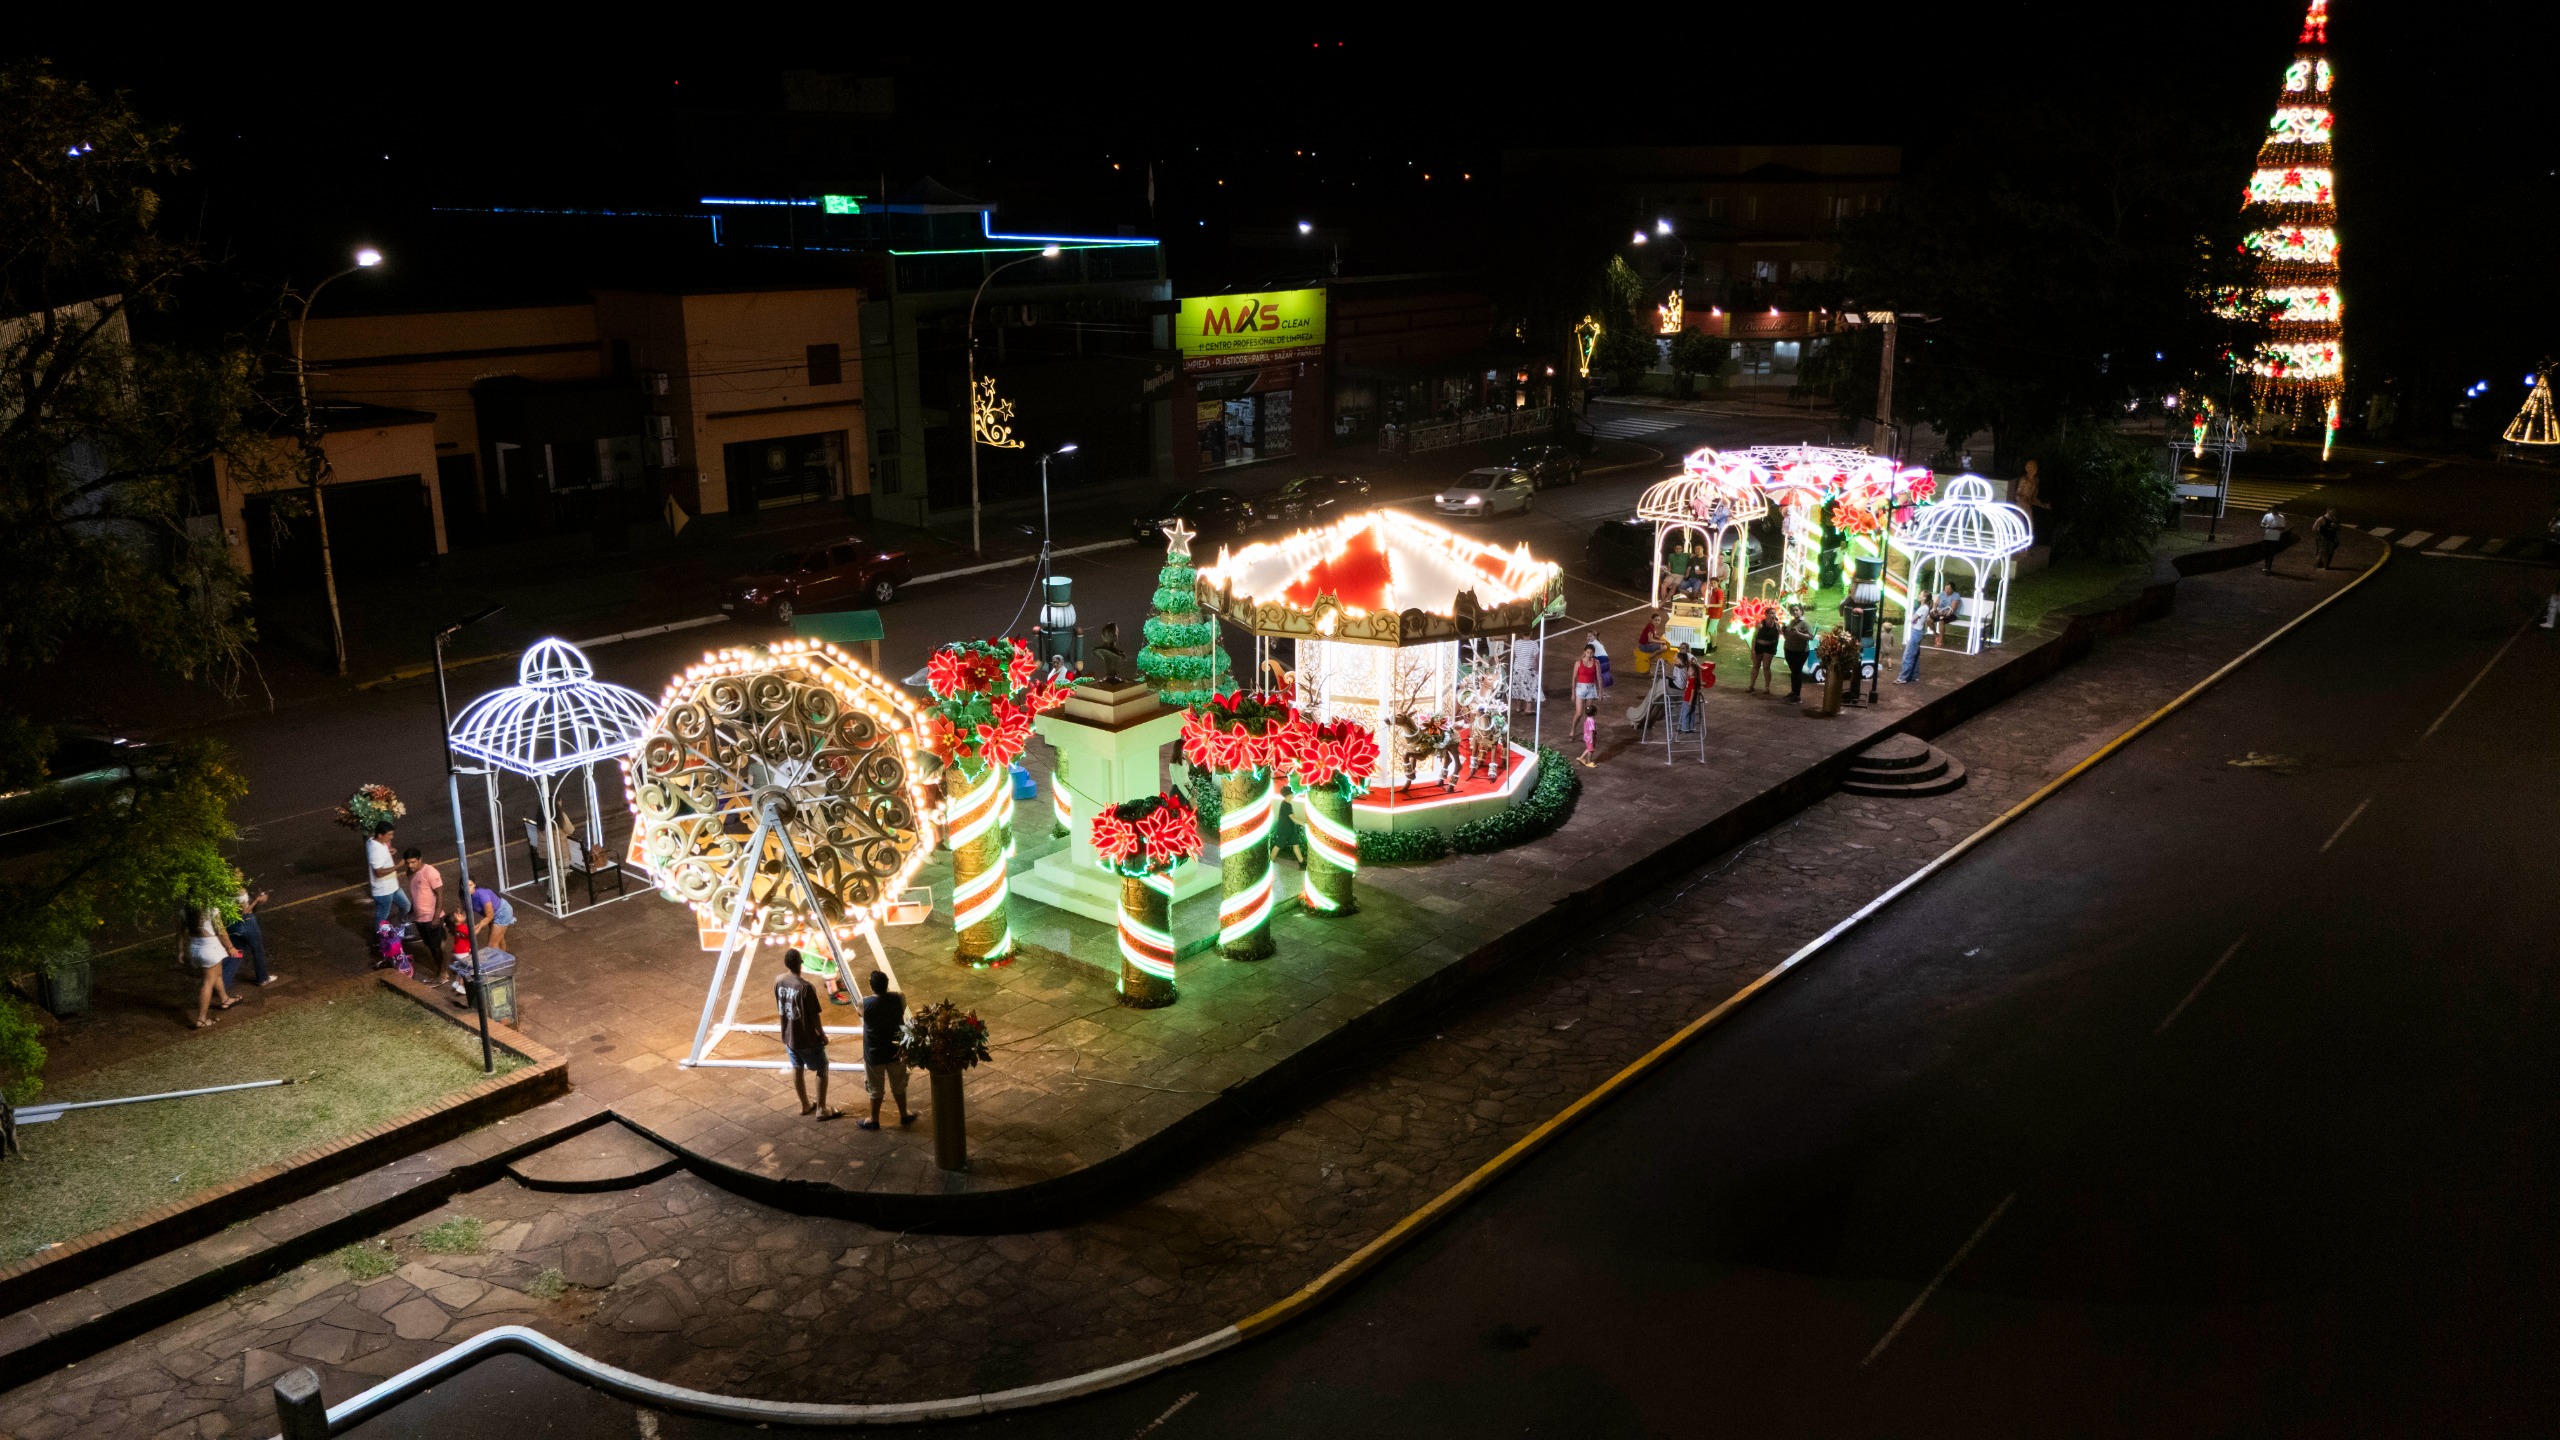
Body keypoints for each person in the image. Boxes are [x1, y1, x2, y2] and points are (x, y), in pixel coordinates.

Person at [774, 949, 839, 1120]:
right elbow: (814, 1016)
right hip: (807, 1038)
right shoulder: (806, 987)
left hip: (789, 1035)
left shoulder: (779, 981)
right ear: (801, 963)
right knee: (822, 1068)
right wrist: (822, 1035)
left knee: (797, 1067)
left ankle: (805, 1104)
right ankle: (822, 1108)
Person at [856, 969, 915, 1131]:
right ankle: (904, 1114)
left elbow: (861, 1014)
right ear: (887, 984)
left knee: (875, 1086)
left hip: (874, 1051)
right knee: (899, 1083)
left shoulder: (864, 1003)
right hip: (895, 1049)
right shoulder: (899, 997)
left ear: (872, 986)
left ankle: (874, 1119)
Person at [182, 900, 238, 1029]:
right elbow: (220, 930)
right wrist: (230, 947)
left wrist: (181, 951)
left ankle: (225, 999)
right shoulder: (210, 909)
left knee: (217, 973)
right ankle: (201, 1019)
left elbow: (181, 932)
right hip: (209, 948)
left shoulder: (185, 910)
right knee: (208, 981)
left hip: (194, 947)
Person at [224, 875, 278, 990]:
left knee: (236, 952)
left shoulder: (223, 890)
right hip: (246, 924)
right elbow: (244, 912)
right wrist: (257, 901)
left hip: (231, 925)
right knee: (257, 949)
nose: (241, 874)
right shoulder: (240, 891)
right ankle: (262, 978)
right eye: (238, 872)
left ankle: (224, 981)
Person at [401, 848, 447, 979]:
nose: (410, 866)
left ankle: (443, 973)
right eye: (407, 863)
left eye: (413, 862)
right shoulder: (410, 873)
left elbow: (440, 895)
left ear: (420, 860)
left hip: (431, 917)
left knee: (437, 947)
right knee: (430, 946)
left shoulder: (430, 872)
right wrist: (412, 911)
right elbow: (416, 894)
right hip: (419, 918)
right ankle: (440, 969)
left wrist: (436, 917)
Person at [365, 822, 409, 936]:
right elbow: (378, 873)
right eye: (389, 834)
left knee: (406, 906)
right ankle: (379, 940)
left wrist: (388, 851)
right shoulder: (376, 851)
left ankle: (403, 928)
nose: (392, 837)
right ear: (380, 835)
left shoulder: (373, 841)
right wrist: (397, 867)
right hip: (383, 890)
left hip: (393, 886)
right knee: (382, 916)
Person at [1782, 605, 1814, 704]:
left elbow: (1810, 637)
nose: (1795, 612)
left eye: (1797, 610)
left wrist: (1798, 633)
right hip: (1789, 649)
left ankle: (1797, 696)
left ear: (1801, 611)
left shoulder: (1805, 623)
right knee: (1793, 672)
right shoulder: (1792, 622)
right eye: (1793, 610)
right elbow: (1788, 636)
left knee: (1797, 672)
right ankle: (1793, 692)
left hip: (1800, 651)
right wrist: (1783, 631)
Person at [470, 881, 513, 957]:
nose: (468, 888)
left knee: (492, 946)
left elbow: (490, 916)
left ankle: (499, 963)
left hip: (502, 912)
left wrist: (478, 927)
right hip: (493, 913)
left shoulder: (482, 895)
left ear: (474, 885)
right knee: (499, 938)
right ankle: (505, 958)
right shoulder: (466, 897)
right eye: (465, 886)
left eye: (470, 885)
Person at [1748, 607, 1781, 693]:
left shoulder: (1777, 625)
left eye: (1774, 613)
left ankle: (1767, 687)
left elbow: (1777, 637)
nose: (1773, 615)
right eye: (1771, 613)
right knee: (1755, 667)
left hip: (1769, 647)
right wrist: (1753, 650)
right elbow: (1754, 637)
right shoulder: (1760, 624)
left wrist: (1775, 648)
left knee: (1766, 667)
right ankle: (1751, 685)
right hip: (1759, 646)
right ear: (1766, 614)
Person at [1896, 606, 1927, 684]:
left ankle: (1903, 678)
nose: (1919, 596)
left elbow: (1913, 619)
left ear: (1924, 597)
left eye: (1921, 594)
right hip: (1919, 631)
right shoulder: (1926, 607)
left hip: (1915, 631)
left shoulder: (1923, 608)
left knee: (1908, 655)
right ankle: (1914, 676)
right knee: (1915, 654)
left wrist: (1911, 620)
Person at [1572, 643, 1601, 709]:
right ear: (1584, 652)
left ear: (1593, 653)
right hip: (1580, 689)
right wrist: (1573, 693)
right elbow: (1574, 678)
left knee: (1588, 711)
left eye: (1591, 653)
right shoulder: (1578, 662)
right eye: (1588, 652)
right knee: (1579, 713)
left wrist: (1600, 692)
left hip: (1591, 689)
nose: (1589, 654)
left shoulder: (1596, 663)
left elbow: (1599, 678)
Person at [2260, 509, 2288, 574]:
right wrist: (2265, 526)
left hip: (2275, 537)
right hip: (2267, 536)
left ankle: (2268, 567)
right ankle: (2266, 566)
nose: (2274, 512)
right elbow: (2261, 524)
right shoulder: (2267, 516)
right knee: (2266, 551)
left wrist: (2274, 528)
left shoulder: (2281, 517)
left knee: (2271, 552)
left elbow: (2283, 528)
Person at [1577, 697, 1600, 769]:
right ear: (1595, 713)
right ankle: (1589, 762)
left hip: (1586, 737)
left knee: (1588, 749)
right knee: (1591, 750)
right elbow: (1591, 731)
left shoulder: (1587, 719)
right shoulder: (1592, 721)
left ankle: (1581, 758)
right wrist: (1592, 739)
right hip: (1590, 738)